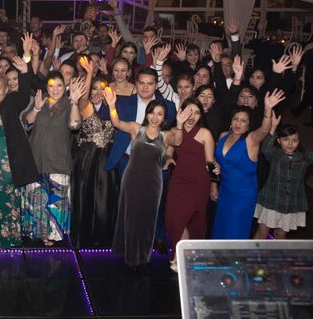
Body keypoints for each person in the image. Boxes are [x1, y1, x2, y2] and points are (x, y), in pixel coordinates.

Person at [104, 86, 192, 268]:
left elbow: (178, 141)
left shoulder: (166, 135)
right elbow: (117, 123)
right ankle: (126, 249)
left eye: (159, 114)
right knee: (130, 214)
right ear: (147, 114)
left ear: (164, 117)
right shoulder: (136, 129)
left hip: (153, 182)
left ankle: (141, 254)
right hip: (132, 179)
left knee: (147, 217)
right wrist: (112, 105)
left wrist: (180, 124)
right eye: (152, 113)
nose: (155, 117)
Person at [0, 56, 39, 248]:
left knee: (5, 199)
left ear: (5, 90)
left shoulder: (11, 103)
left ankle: (7, 237)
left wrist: (25, 71)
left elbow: (24, 96)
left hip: (5, 162)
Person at [212, 89, 285, 239]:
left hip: (243, 195)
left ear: (249, 125)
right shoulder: (223, 136)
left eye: (243, 120)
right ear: (231, 121)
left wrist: (268, 109)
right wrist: (214, 182)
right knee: (221, 228)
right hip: (224, 191)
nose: (238, 123)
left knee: (234, 231)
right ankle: (219, 260)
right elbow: (217, 161)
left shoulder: (251, 140)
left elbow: (265, 130)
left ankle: (235, 261)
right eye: (235, 119)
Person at [22, 71, 84, 245]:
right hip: (36, 160)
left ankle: (53, 234)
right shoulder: (40, 100)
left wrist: (74, 102)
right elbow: (27, 124)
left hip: (58, 162)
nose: (55, 89)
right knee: (37, 198)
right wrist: (36, 108)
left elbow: (74, 125)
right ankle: (39, 232)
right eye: (51, 85)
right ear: (46, 87)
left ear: (64, 86)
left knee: (55, 201)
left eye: (59, 85)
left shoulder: (68, 103)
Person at [164, 98, 219, 272]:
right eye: (189, 111)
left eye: (197, 112)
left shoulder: (205, 133)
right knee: (174, 218)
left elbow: (210, 161)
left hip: (198, 182)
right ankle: (182, 254)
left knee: (192, 220)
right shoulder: (174, 130)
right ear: (181, 111)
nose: (192, 116)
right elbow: (169, 151)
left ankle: (181, 257)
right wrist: (168, 159)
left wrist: (215, 172)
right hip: (179, 180)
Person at [69, 60, 116, 248]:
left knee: (105, 199)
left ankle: (103, 238)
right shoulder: (86, 107)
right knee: (85, 197)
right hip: (87, 159)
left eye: (101, 89)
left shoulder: (113, 108)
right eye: (94, 89)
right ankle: (84, 237)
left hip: (106, 160)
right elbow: (83, 99)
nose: (97, 92)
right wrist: (89, 74)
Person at [254, 121, 313, 239]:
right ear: (279, 141)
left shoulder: (304, 157)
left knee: (281, 234)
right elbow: (265, 148)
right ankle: (253, 256)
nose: (290, 143)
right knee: (263, 231)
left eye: (294, 140)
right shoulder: (275, 154)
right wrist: (274, 126)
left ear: (299, 141)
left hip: (291, 203)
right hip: (272, 200)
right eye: (286, 139)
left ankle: (276, 257)